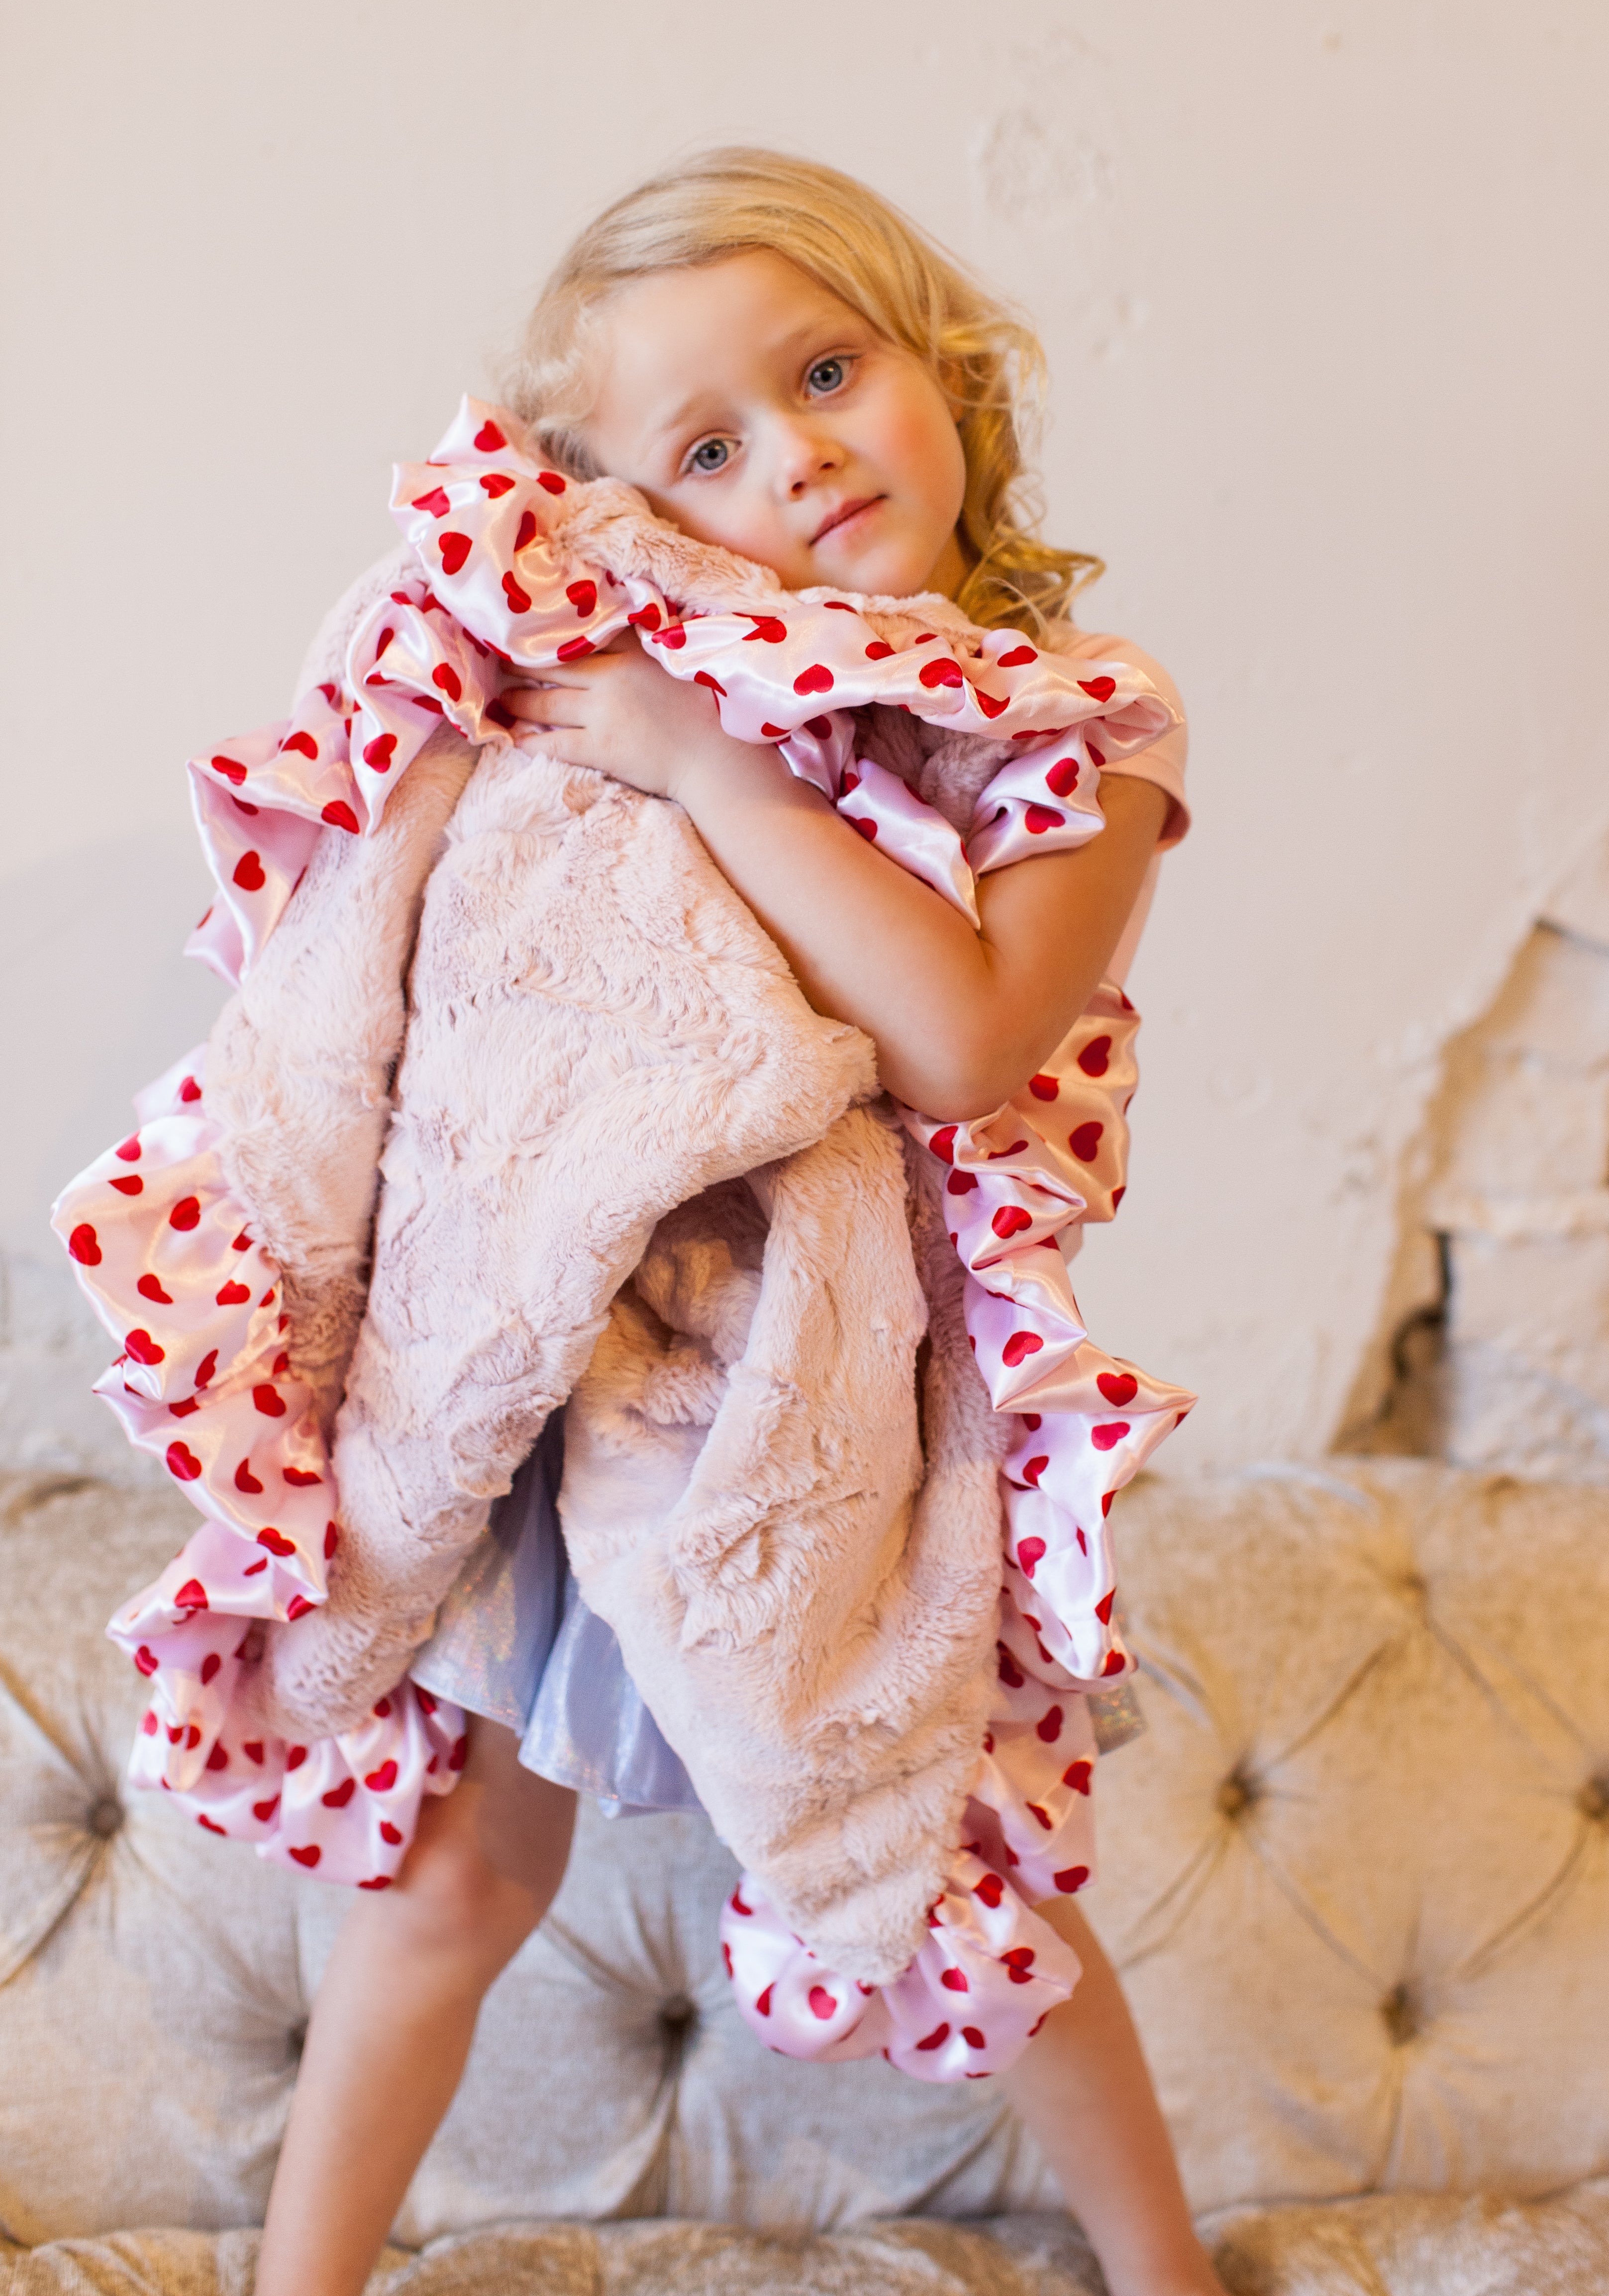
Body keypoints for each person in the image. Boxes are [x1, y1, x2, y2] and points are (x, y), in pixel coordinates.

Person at [254, 150, 1215, 2296]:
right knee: (455, 1883)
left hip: (852, 1406)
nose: (796, 452)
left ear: (938, 361)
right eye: (707, 449)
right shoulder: (646, 687)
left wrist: (717, 775)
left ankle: (1171, 2278)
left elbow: (961, 1039)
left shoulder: (1075, 727)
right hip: (585, 1353)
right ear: (640, 515)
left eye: (827, 372)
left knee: (953, 1865)